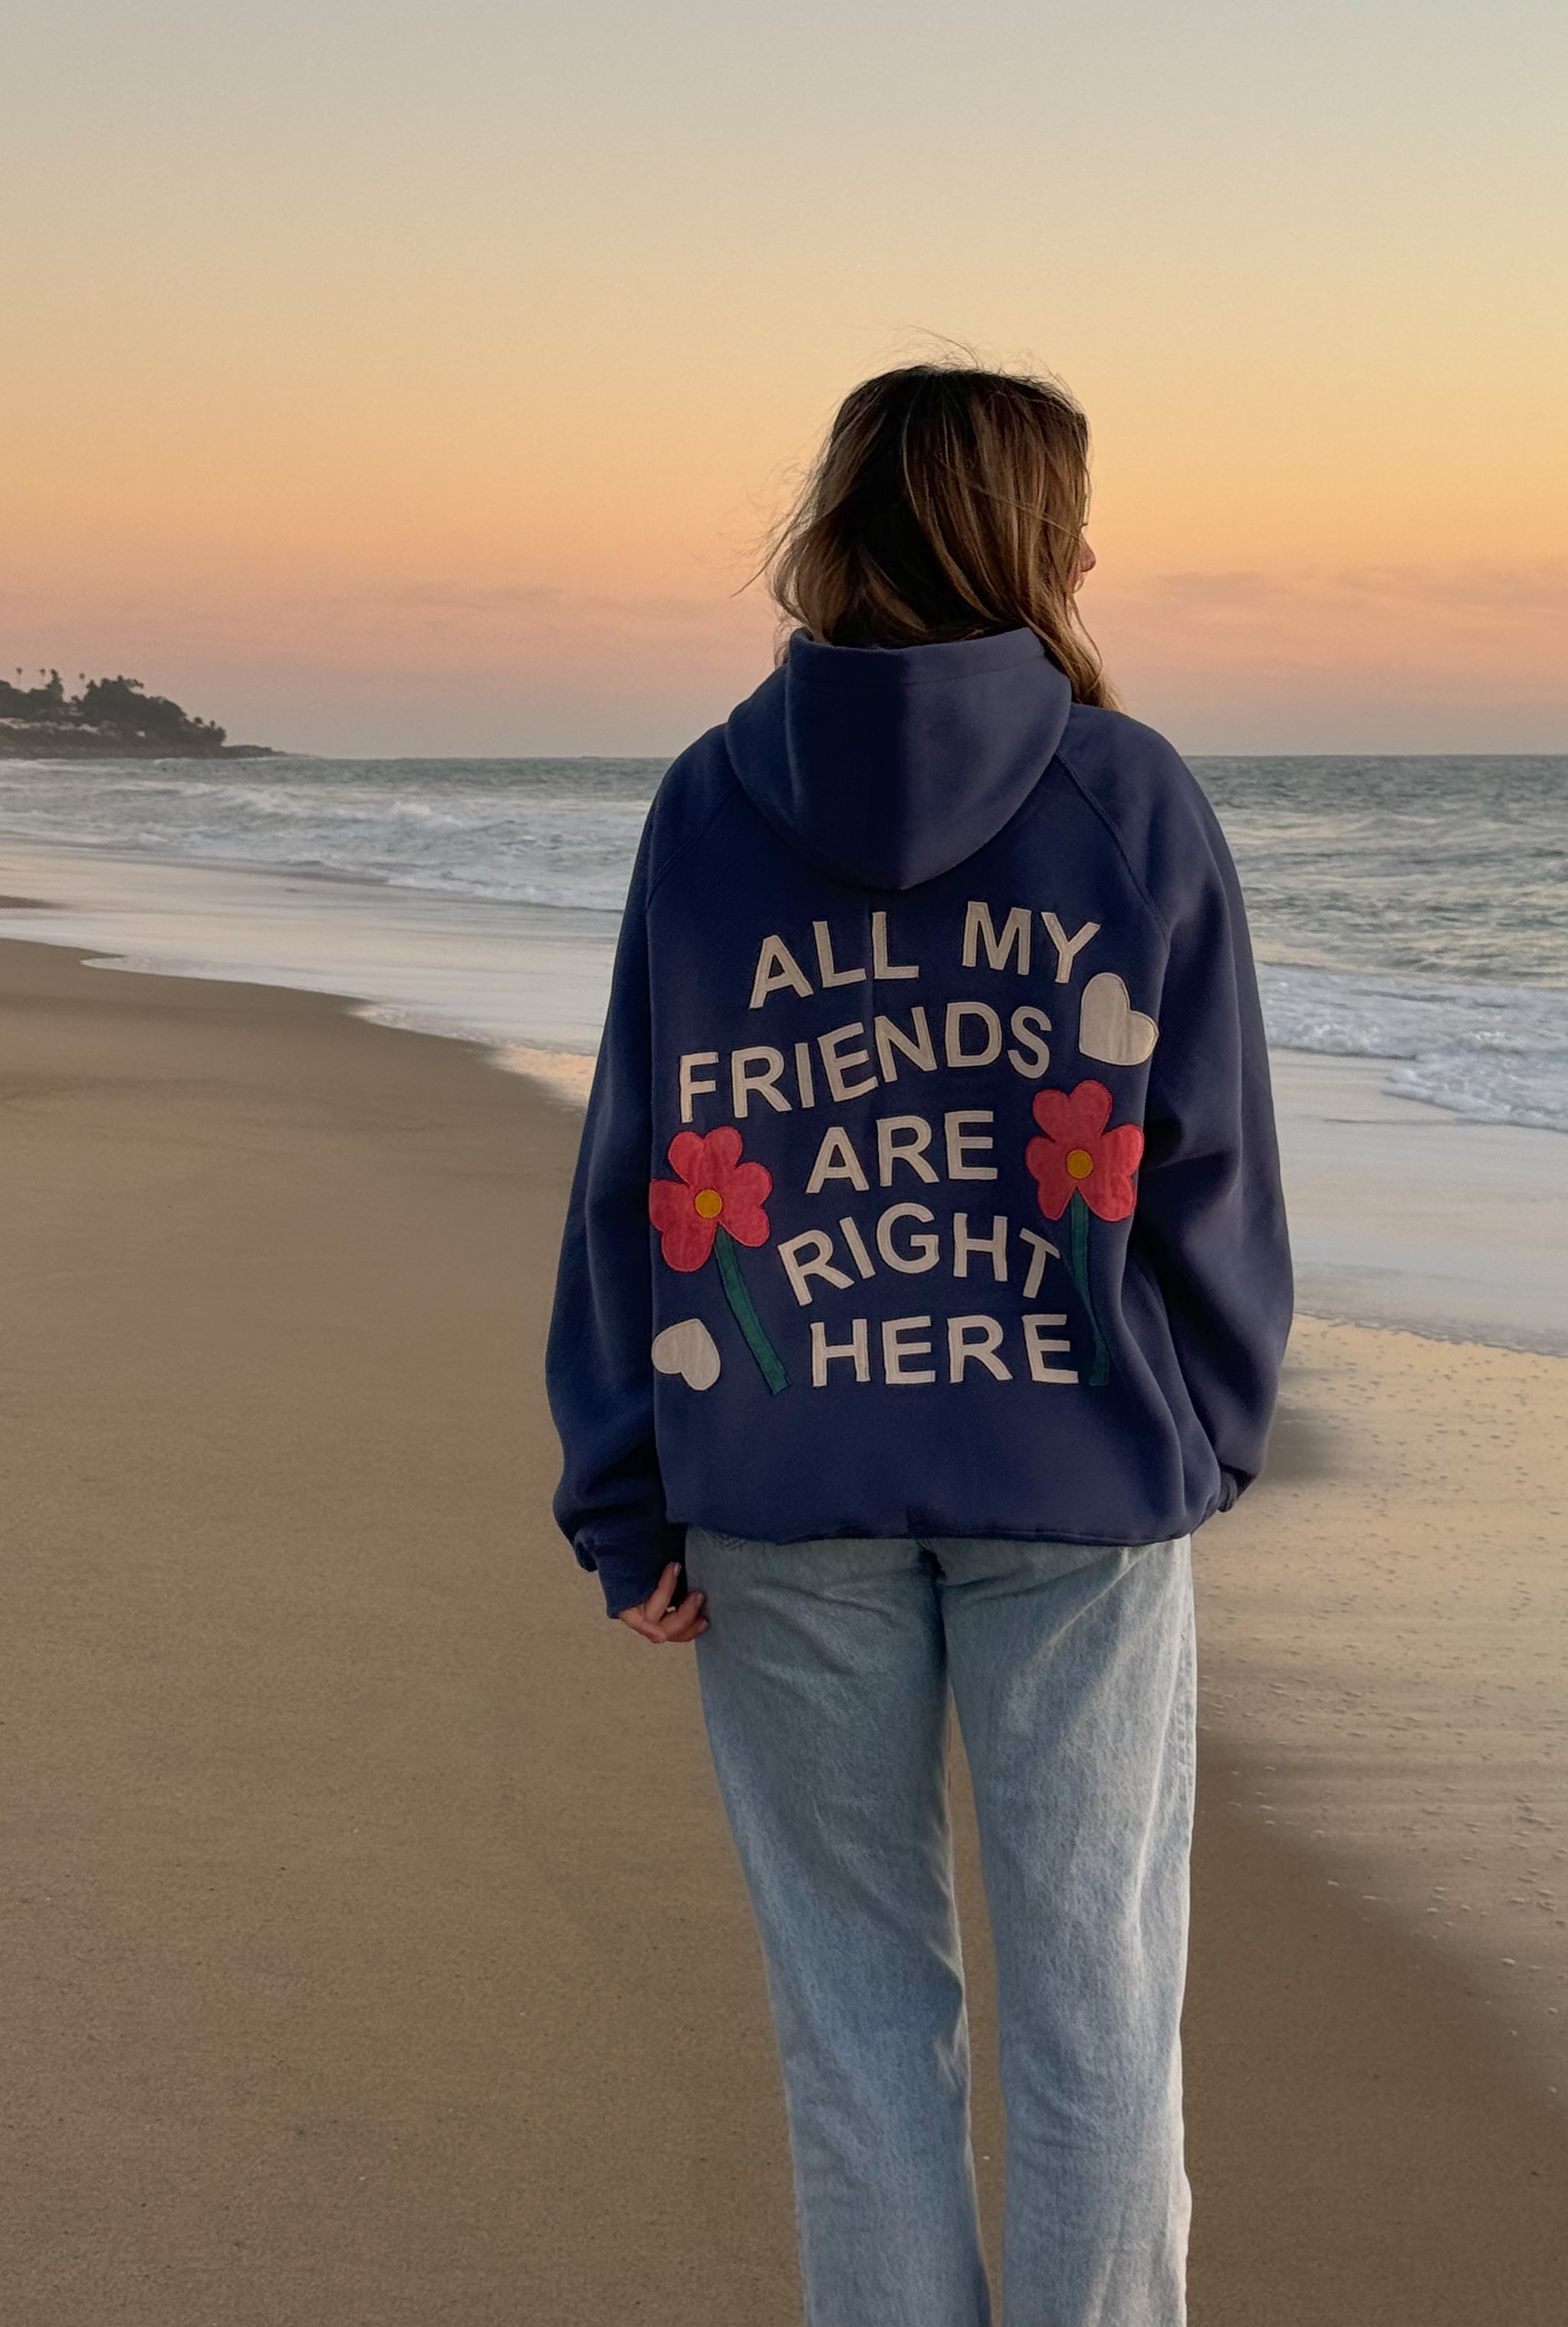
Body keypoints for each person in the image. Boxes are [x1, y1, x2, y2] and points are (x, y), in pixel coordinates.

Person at [547, 361, 1292, 2327]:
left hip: (781, 1479)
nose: (1094, 552)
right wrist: (1198, 1434)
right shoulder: (1124, 799)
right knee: (1099, 2020)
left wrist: (627, 1493)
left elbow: (646, 1160)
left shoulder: (711, 800)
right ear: (1023, 543)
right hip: (1074, 1483)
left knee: (859, 2028)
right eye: (1074, 517)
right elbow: (1205, 1154)